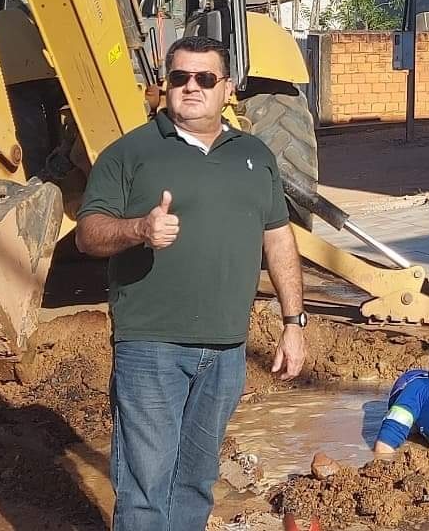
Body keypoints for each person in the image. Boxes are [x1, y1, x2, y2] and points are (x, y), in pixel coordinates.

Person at [76, 34, 307, 531]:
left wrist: (294, 321)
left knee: (196, 480)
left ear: (227, 88)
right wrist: (139, 228)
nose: (192, 87)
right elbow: (88, 234)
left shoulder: (256, 155)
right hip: (151, 345)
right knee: (145, 488)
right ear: (165, 85)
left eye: (205, 78)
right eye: (180, 77)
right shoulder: (129, 153)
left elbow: (278, 238)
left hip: (226, 349)